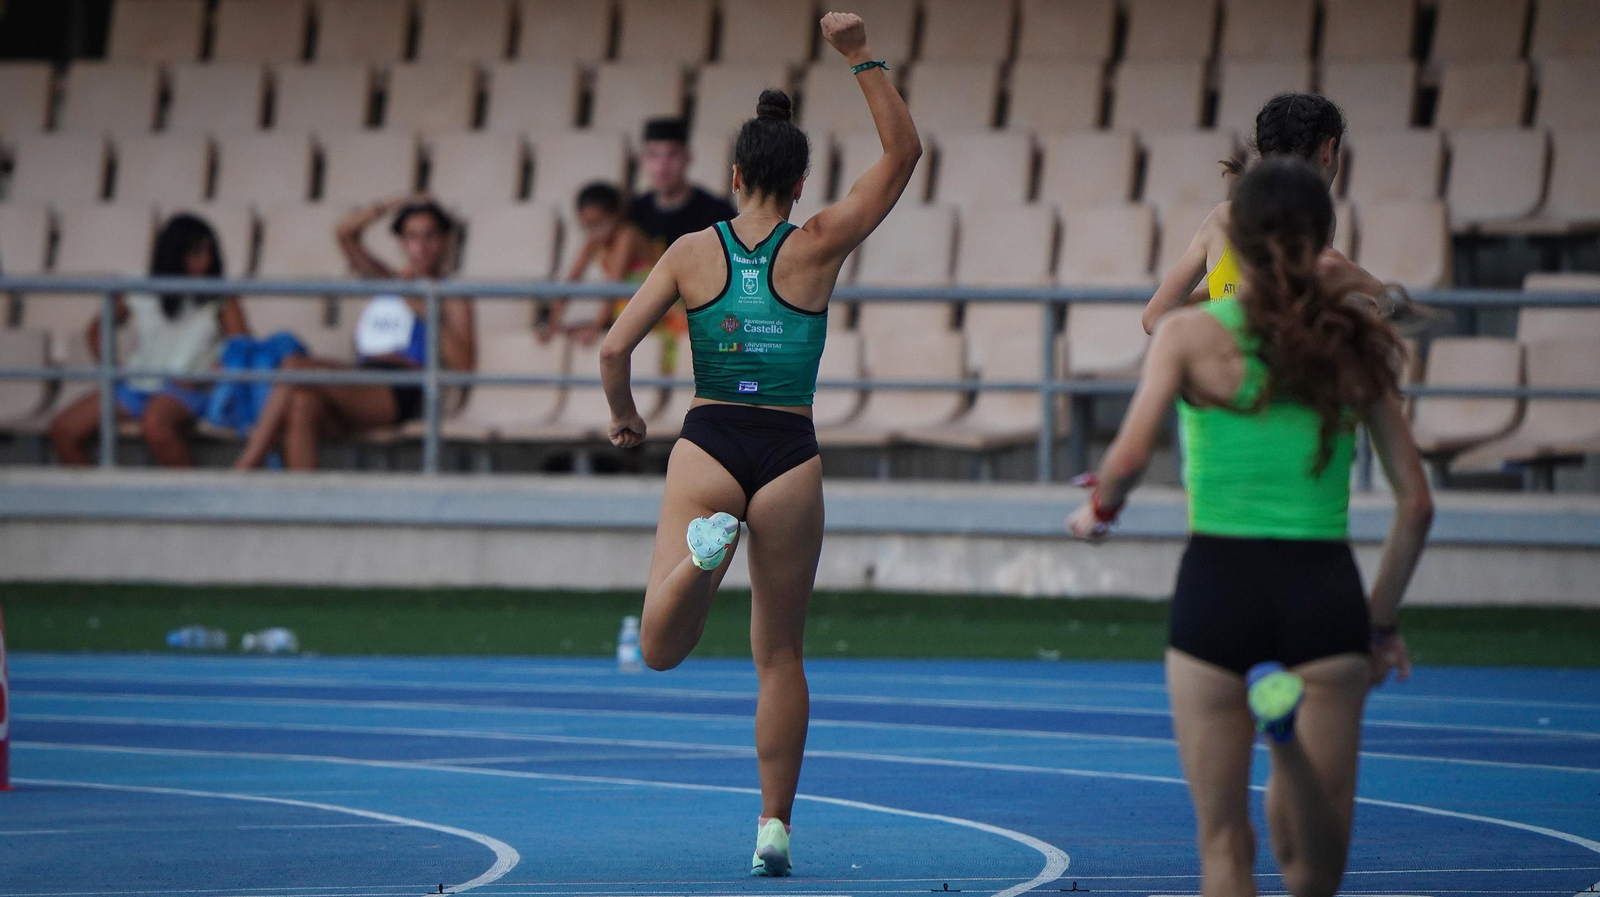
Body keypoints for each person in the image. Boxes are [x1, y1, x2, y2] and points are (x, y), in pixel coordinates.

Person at [599, 12, 919, 878]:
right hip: (788, 453)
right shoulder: (817, 245)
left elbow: (612, 348)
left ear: (735, 175)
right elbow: (902, 157)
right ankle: (774, 826)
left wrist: (626, 418)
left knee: (662, 647)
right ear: (801, 177)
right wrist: (859, 58)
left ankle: (706, 555)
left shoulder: (691, 251)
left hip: (707, 441)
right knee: (779, 655)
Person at [1069, 157, 1434, 897]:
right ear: (1322, 244)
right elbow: (1417, 504)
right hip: (1323, 590)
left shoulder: (1188, 334)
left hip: (1217, 588)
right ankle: (1287, 744)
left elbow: (1130, 455)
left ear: (1239, 237)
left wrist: (1099, 511)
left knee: (1224, 851)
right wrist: (1380, 623)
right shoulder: (1354, 343)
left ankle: (1280, 736)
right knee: (1314, 874)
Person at [232, 196, 474, 470]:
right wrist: (395, 203)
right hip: (364, 375)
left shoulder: (453, 297)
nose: (422, 247)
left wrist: (426, 309)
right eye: (412, 237)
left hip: (404, 383)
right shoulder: (390, 280)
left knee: (294, 367)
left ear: (444, 241)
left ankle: (245, 467)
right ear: (402, 243)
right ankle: (304, 508)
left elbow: (463, 365)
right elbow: (344, 234)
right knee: (303, 403)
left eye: (430, 236)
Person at [1141, 93, 1395, 335]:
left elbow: (1155, 318)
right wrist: (1381, 296)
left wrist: (1231, 295)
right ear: (1328, 151)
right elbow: (1373, 302)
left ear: (1262, 152)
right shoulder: (1318, 222)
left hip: (1225, 372)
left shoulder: (1223, 217)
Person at [49, 213, 248, 467]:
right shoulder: (140, 289)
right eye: (197, 253)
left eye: (210, 252)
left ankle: (195, 504)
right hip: (135, 383)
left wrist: (205, 376)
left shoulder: (222, 297)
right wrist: (112, 369)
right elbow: (97, 329)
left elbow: (242, 351)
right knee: (63, 429)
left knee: (155, 426)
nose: (206, 261)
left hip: (187, 389)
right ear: (174, 253)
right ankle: (98, 506)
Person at [542, 182, 662, 345]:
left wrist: (596, 327)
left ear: (617, 215)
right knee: (570, 331)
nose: (594, 233)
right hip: (628, 311)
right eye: (587, 227)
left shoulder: (627, 235)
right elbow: (570, 281)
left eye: (600, 225)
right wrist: (552, 324)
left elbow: (613, 285)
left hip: (659, 312)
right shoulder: (594, 239)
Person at [629, 116, 737, 255]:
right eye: (653, 155)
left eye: (672, 154)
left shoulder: (717, 214)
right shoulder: (633, 211)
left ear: (688, 157)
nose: (662, 165)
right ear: (643, 160)